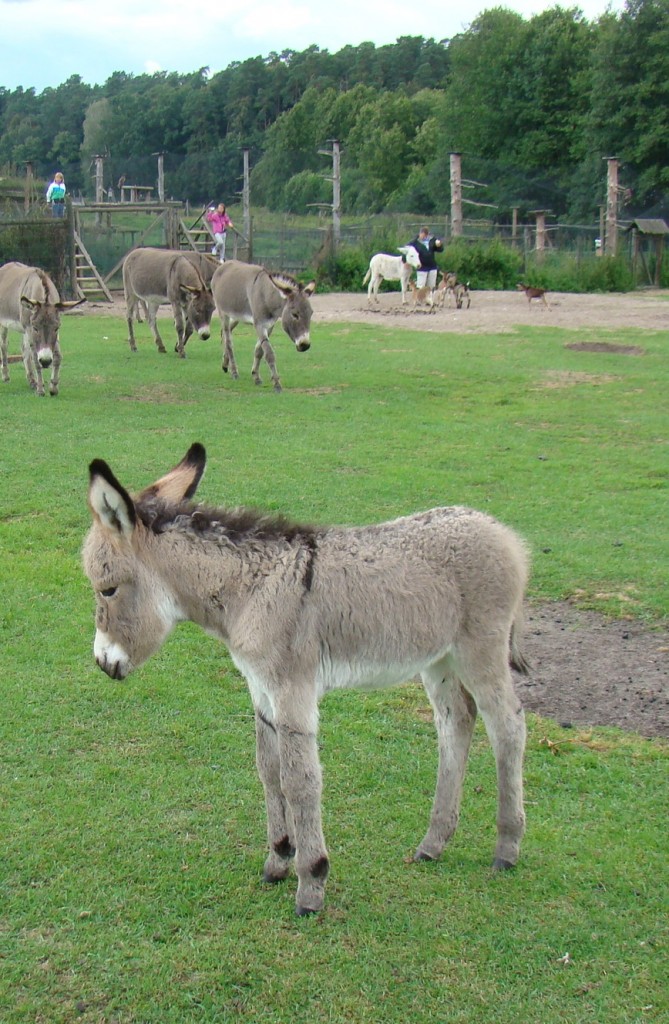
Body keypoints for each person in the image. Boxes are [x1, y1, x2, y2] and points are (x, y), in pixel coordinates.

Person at [409, 226, 444, 292]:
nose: (424, 237)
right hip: (422, 267)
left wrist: (439, 246)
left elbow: (440, 250)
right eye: (423, 235)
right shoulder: (415, 242)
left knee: (431, 285)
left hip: (432, 266)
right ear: (420, 233)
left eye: (426, 235)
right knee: (421, 285)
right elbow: (407, 250)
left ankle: (430, 300)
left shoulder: (432, 240)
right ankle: (419, 300)